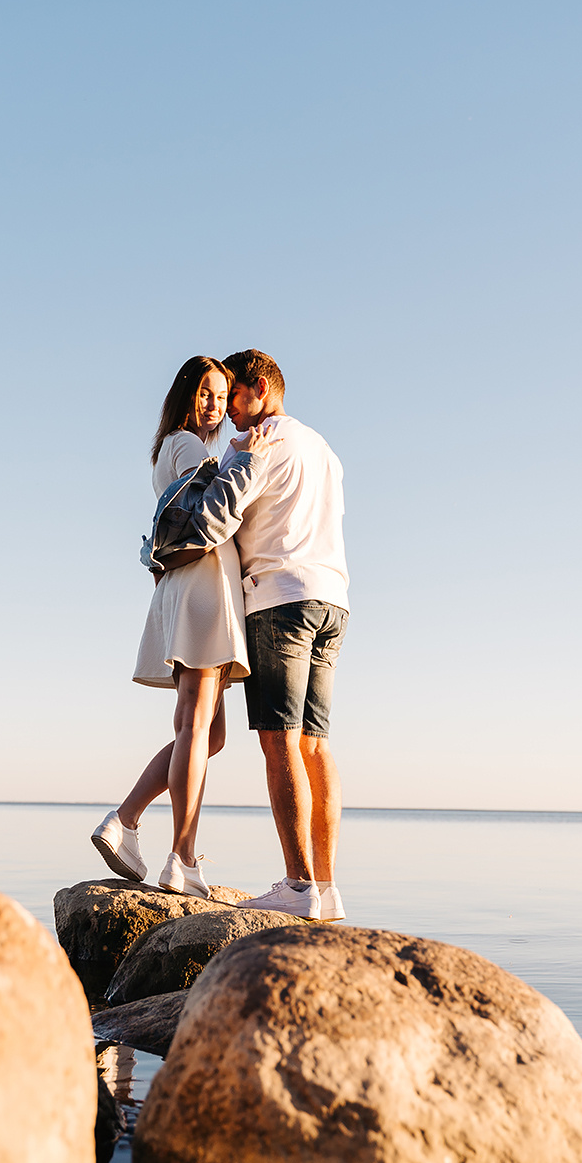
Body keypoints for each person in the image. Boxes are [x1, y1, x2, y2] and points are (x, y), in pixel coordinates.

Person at [91, 356, 270, 899]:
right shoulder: (189, 445)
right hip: (202, 586)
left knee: (206, 732)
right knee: (196, 725)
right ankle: (183, 858)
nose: (216, 404)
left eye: (222, 395)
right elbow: (211, 515)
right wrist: (248, 460)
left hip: (187, 586)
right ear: (186, 396)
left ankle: (124, 821)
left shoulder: (175, 448)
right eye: (207, 394)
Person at [222, 349, 350, 921]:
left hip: (281, 599)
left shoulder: (262, 440)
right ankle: (325, 886)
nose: (226, 412)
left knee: (279, 740)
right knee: (315, 745)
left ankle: (297, 887)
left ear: (260, 389)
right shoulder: (322, 448)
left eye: (232, 396)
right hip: (333, 600)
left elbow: (225, 508)